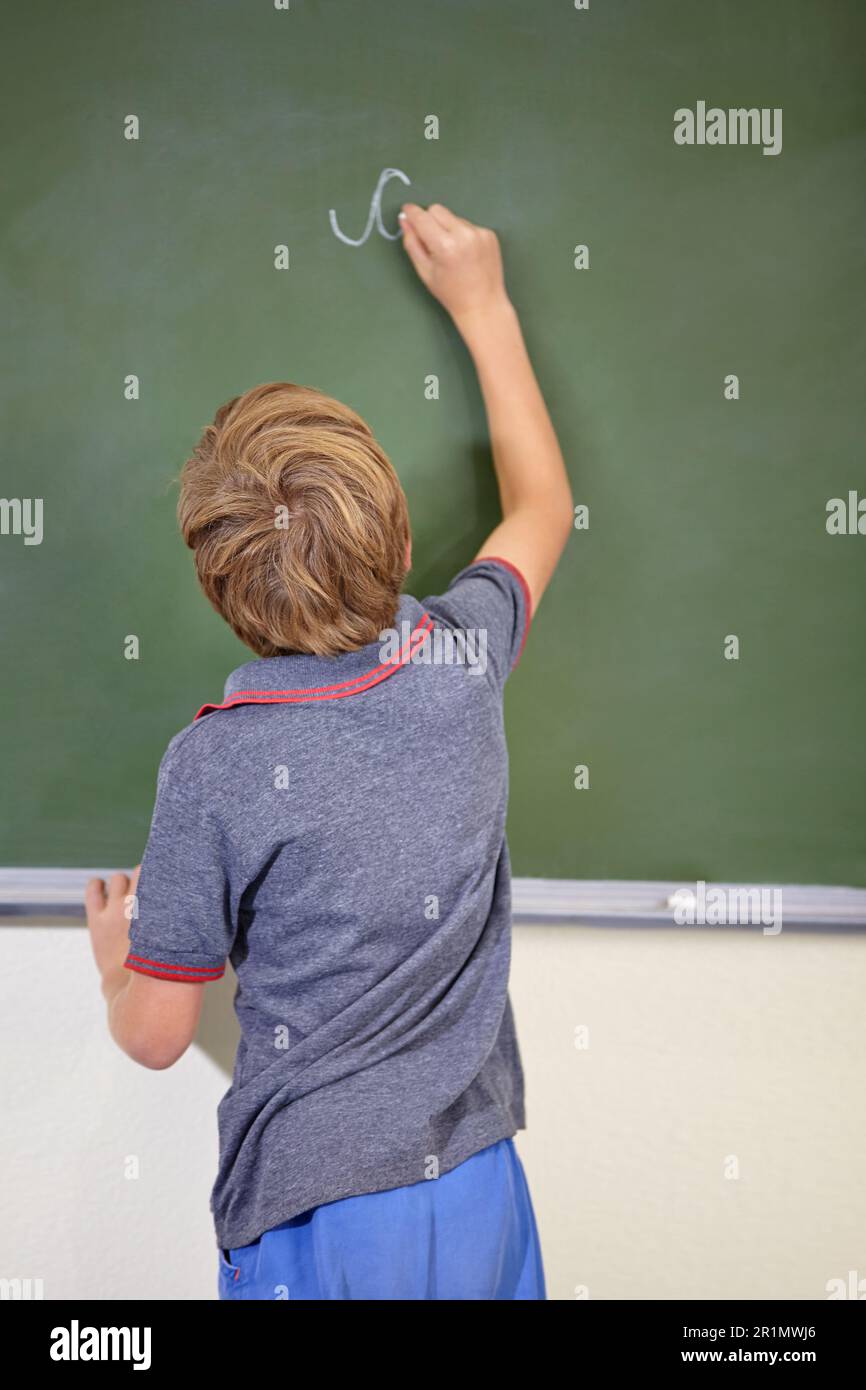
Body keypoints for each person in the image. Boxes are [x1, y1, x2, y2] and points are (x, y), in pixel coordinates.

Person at [86, 202, 573, 1300]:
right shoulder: (461, 659)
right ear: (402, 542)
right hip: (481, 1185)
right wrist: (485, 307)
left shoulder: (212, 767)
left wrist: (121, 962)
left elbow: (160, 1034)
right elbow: (542, 505)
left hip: (319, 1217)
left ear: (219, 590)